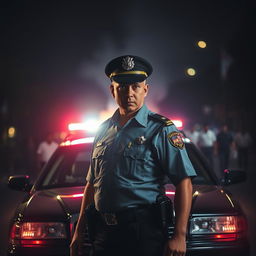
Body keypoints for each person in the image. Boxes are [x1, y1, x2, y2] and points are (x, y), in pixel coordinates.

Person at [70, 55, 197, 256]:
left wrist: (180, 235)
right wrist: (79, 231)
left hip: (143, 232)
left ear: (145, 90)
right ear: (112, 90)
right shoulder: (103, 130)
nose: (129, 92)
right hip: (103, 232)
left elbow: (183, 181)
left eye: (136, 86)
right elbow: (92, 184)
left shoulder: (161, 129)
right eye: (122, 86)